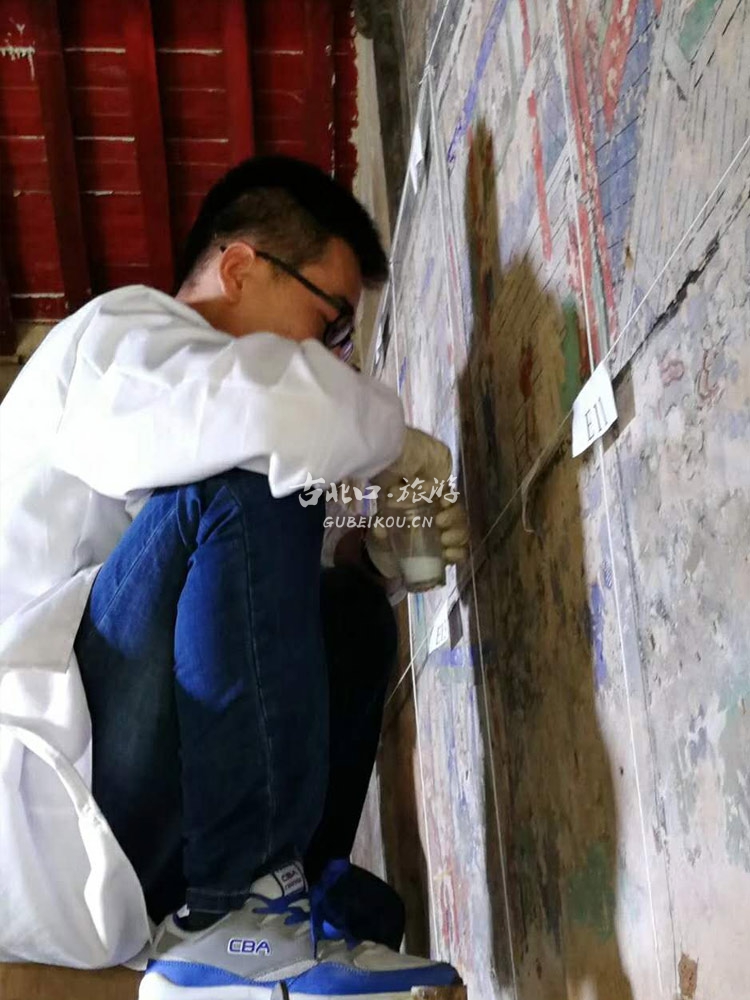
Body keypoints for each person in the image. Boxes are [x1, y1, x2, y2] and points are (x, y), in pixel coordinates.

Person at [0, 156, 469, 998]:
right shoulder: (112, 339)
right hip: (58, 807)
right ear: (243, 267)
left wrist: (372, 558)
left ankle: (285, 907)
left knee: (351, 613)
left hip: (128, 833)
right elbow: (261, 420)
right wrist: (396, 444)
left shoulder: (183, 404)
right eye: (330, 322)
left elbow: (246, 608)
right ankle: (240, 912)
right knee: (251, 467)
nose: (336, 358)